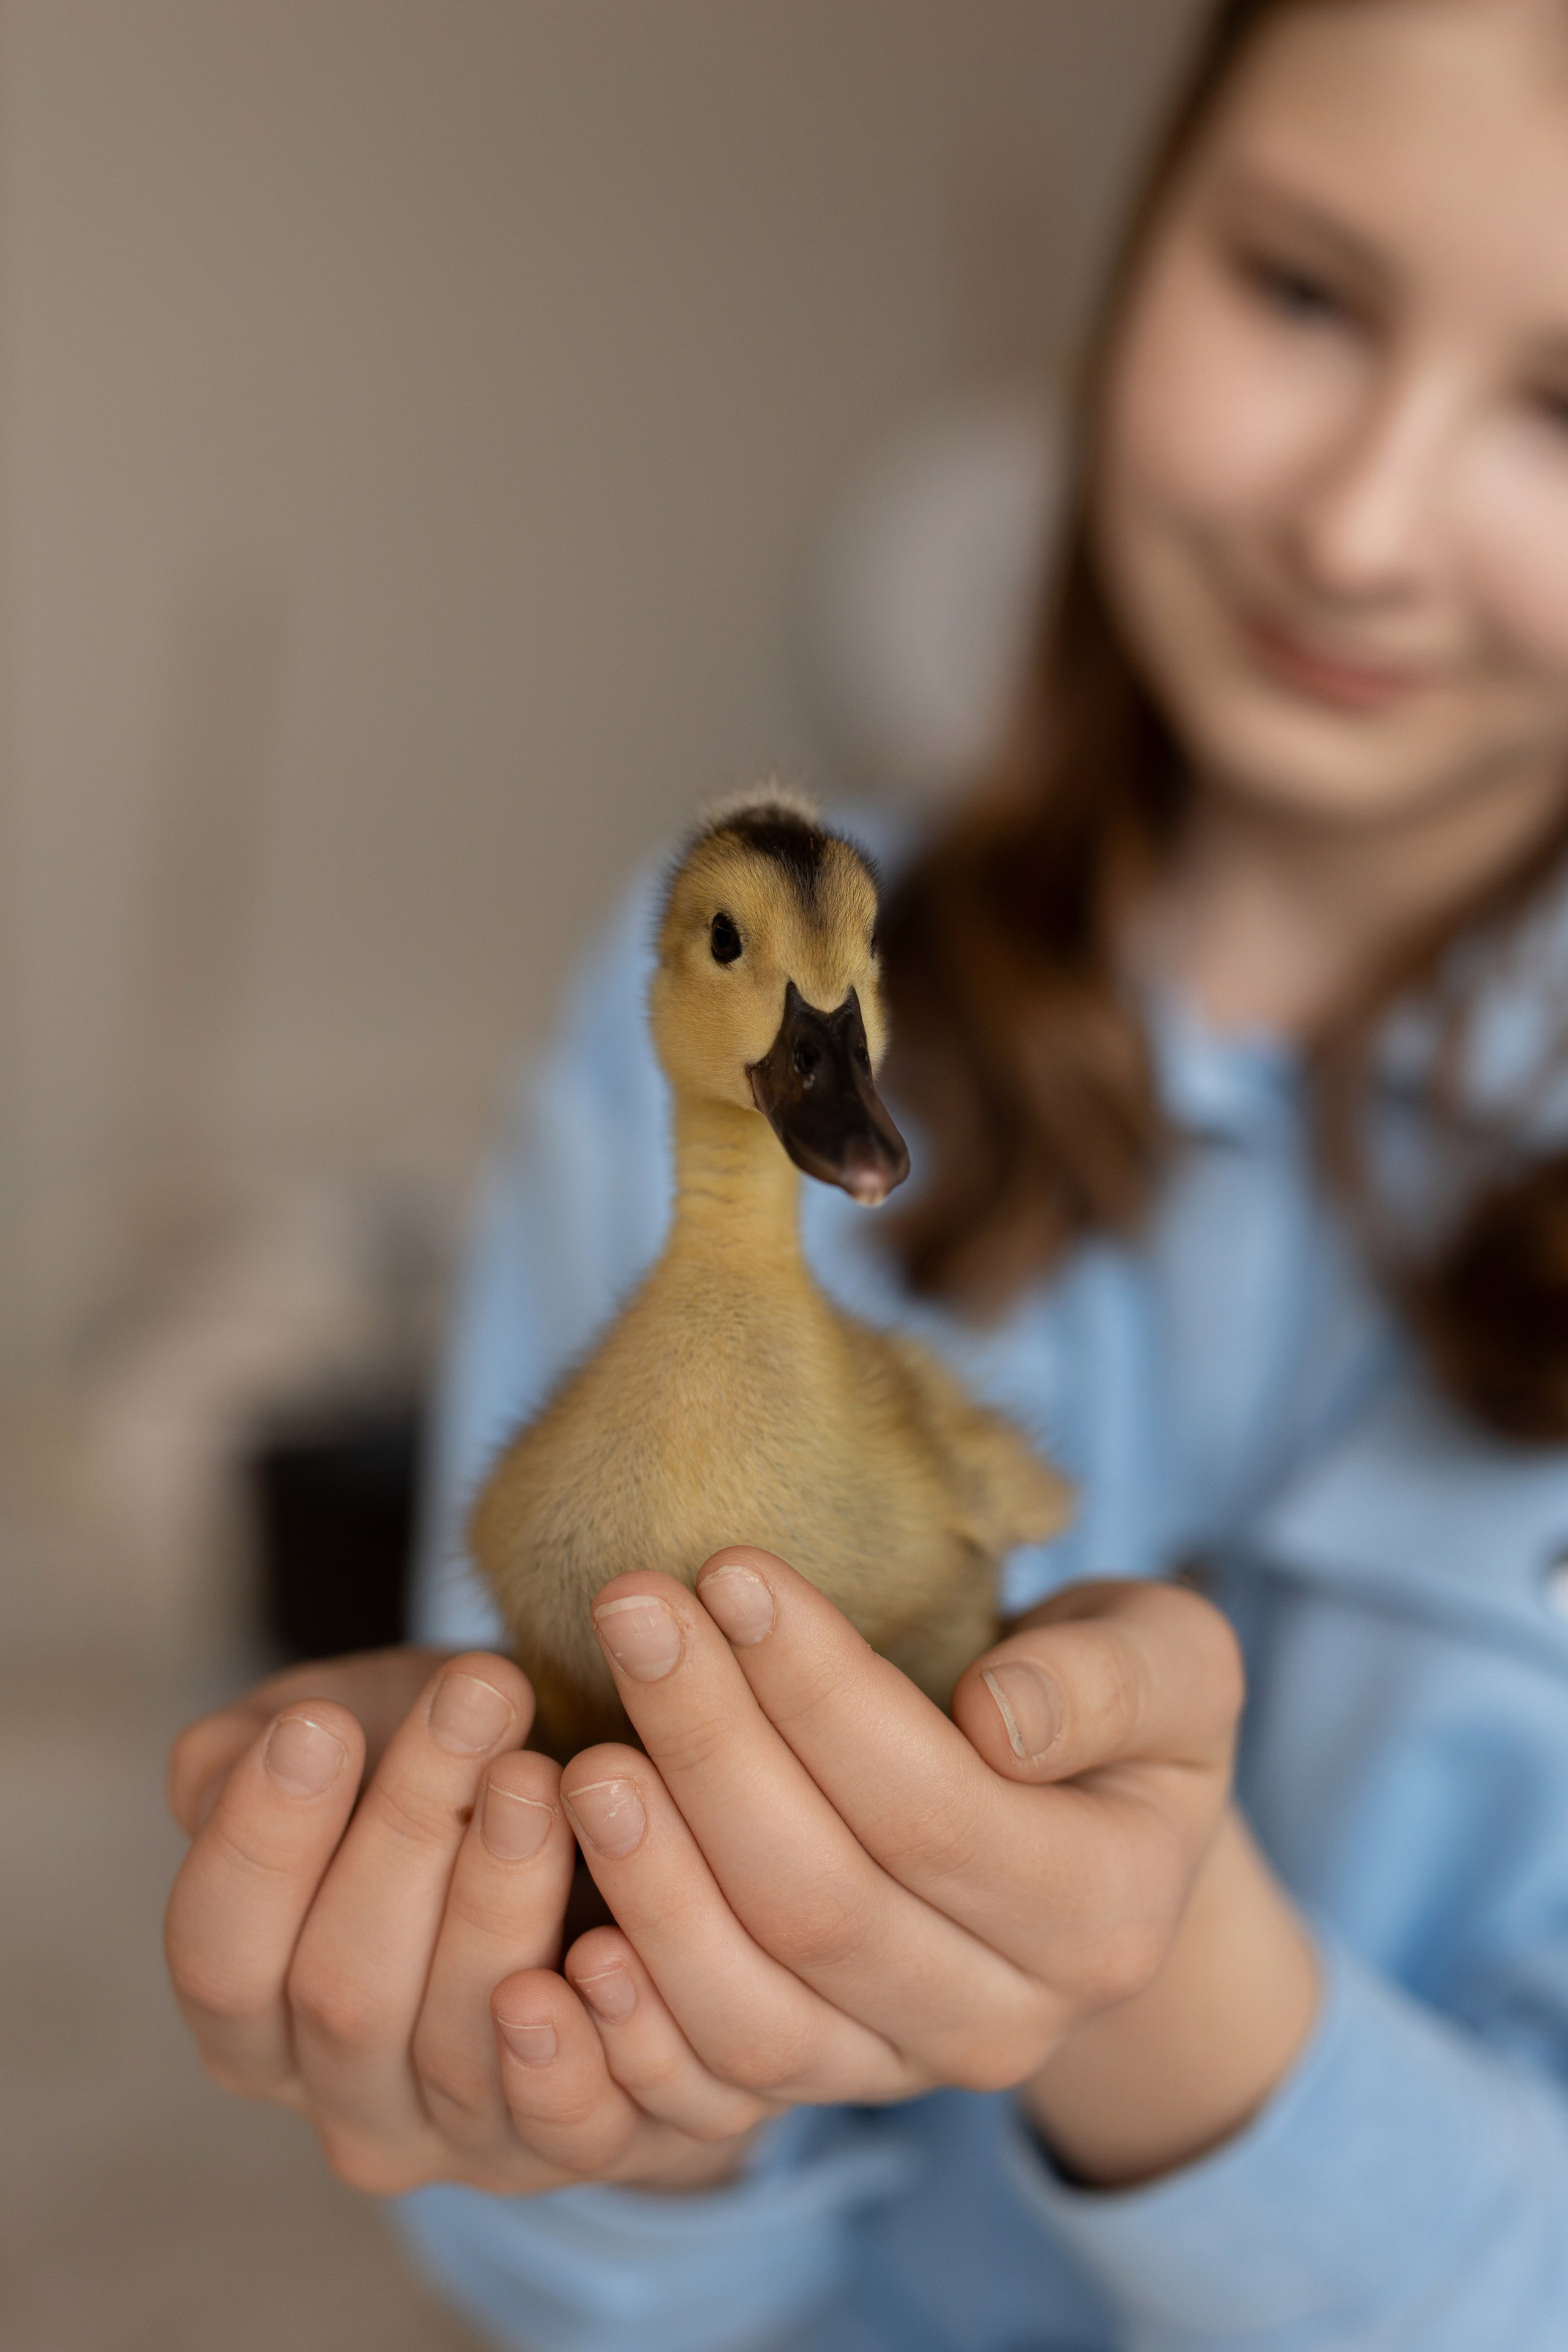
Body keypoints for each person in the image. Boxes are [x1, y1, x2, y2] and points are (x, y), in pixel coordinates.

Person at [163, 1, 1568, 2345]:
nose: (1360, 518)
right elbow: (547, 2219)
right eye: (1302, 290)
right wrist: (593, 2087)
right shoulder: (661, 1094)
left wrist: (1173, 1994)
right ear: (1141, 240)